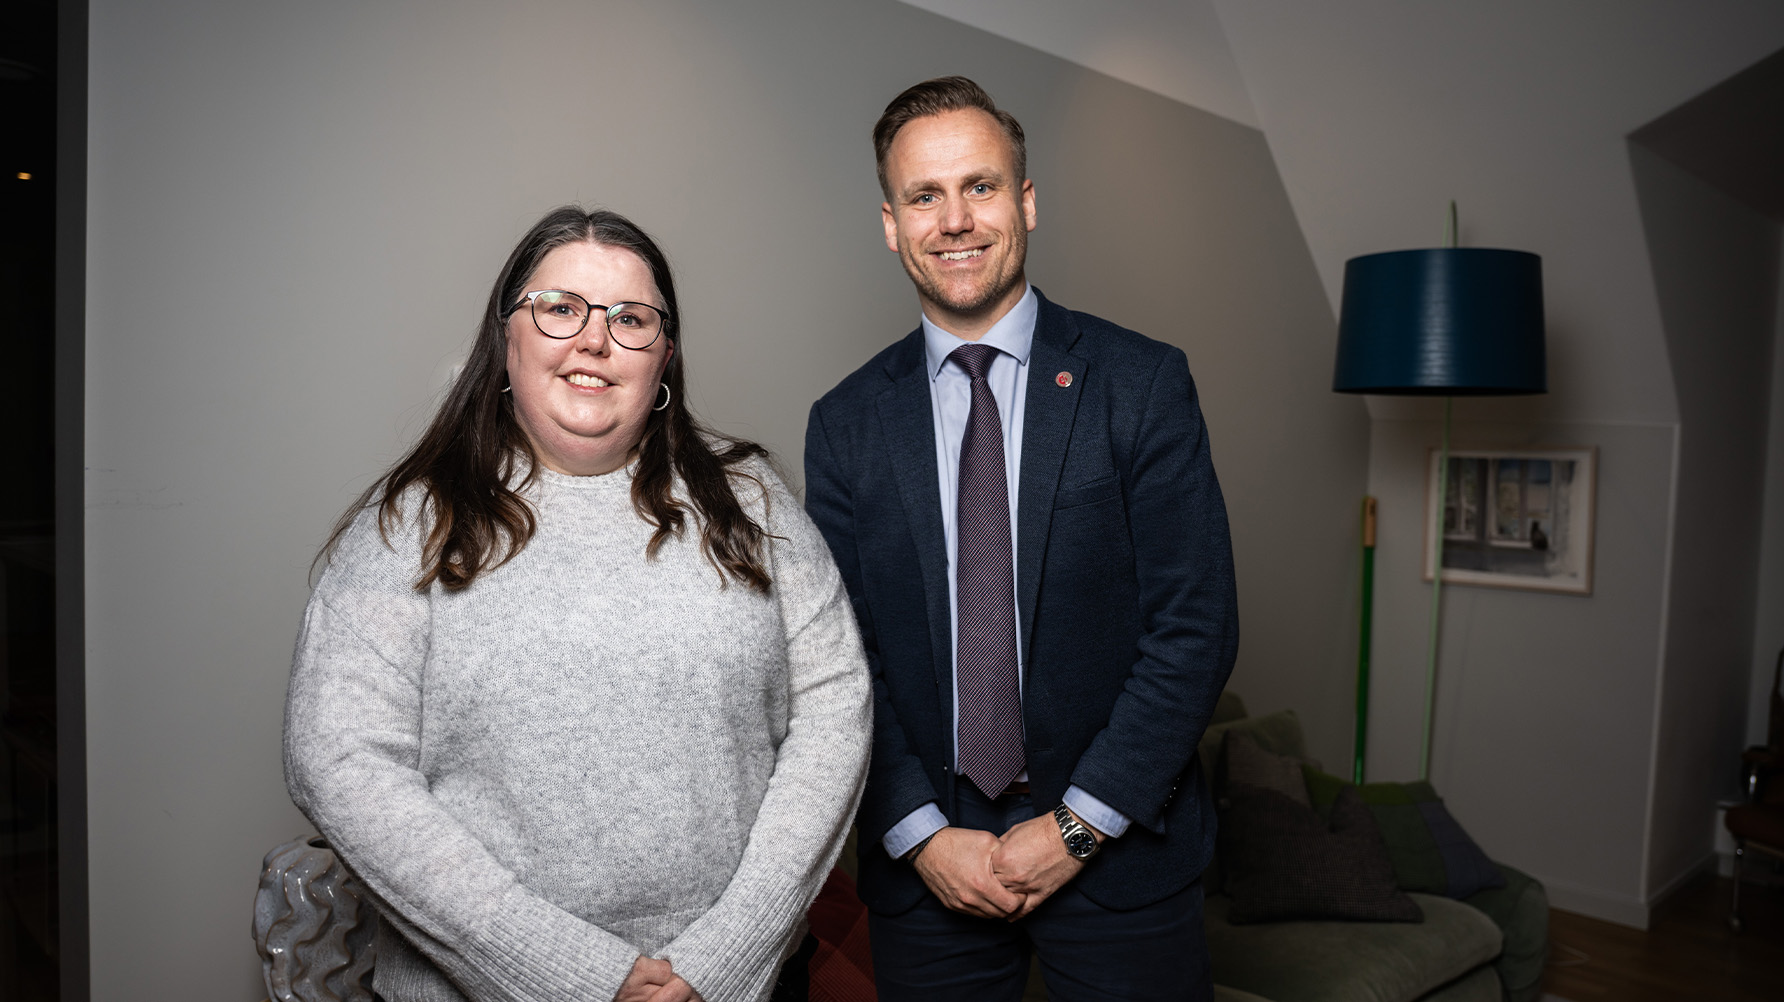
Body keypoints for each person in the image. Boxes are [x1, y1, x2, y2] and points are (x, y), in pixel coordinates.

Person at [284, 206, 871, 1002]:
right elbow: (340, 761)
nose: (594, 340)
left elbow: (834, 709)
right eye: (560, 308)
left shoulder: (752, 501)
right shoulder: (408, 524)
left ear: (664, 357)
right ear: (507, 338)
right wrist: (574, 974)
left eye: (632, 319)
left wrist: (723, 960)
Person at [803, 77, 1238, 1001]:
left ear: (1027, 202)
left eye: (982, 187)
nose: (955, 220)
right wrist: (917, 830)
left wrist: (1077, 827)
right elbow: (842, 664)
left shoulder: (1141, 383)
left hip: (1119, 856)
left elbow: (1193, 628)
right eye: (925, 196)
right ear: (891, 223)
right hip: (933, 868)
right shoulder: (844, 424)